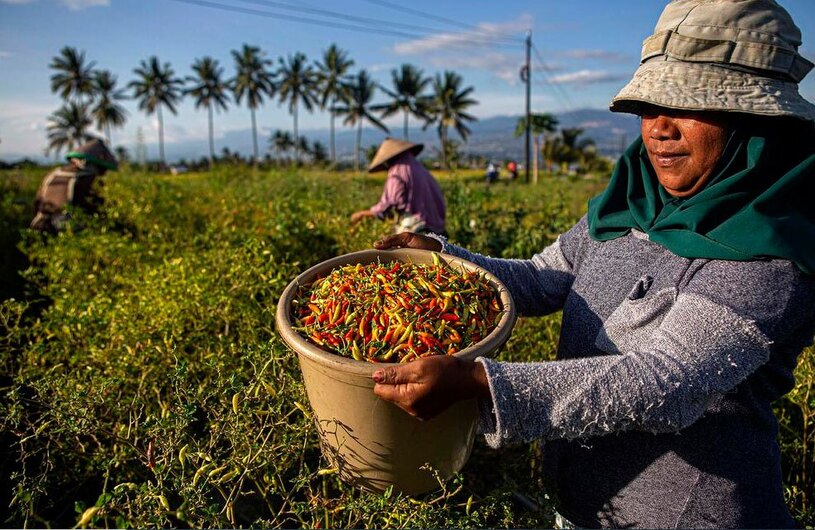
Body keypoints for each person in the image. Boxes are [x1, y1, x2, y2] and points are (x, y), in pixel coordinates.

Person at [369, 0, 815, 527]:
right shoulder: (632, 204)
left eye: (689, 104)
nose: (659, 127)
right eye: (650, 105)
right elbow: (542, 279)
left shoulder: (772, 250)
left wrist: (479, 383)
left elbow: (662, 383)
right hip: (582, 507)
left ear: (756, 121)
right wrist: (443, 259)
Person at [350, 138, 447, 237]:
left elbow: (388, 203)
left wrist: (362, 214)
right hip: (438, 230)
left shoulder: (396, 173)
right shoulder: (421, 169)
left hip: (419, 228)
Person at [31, 138, 118, 233]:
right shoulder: (89, 179)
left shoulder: (53, 174)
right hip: (64, 227)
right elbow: (96, 208)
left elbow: (37, 202)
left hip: (39, 223)